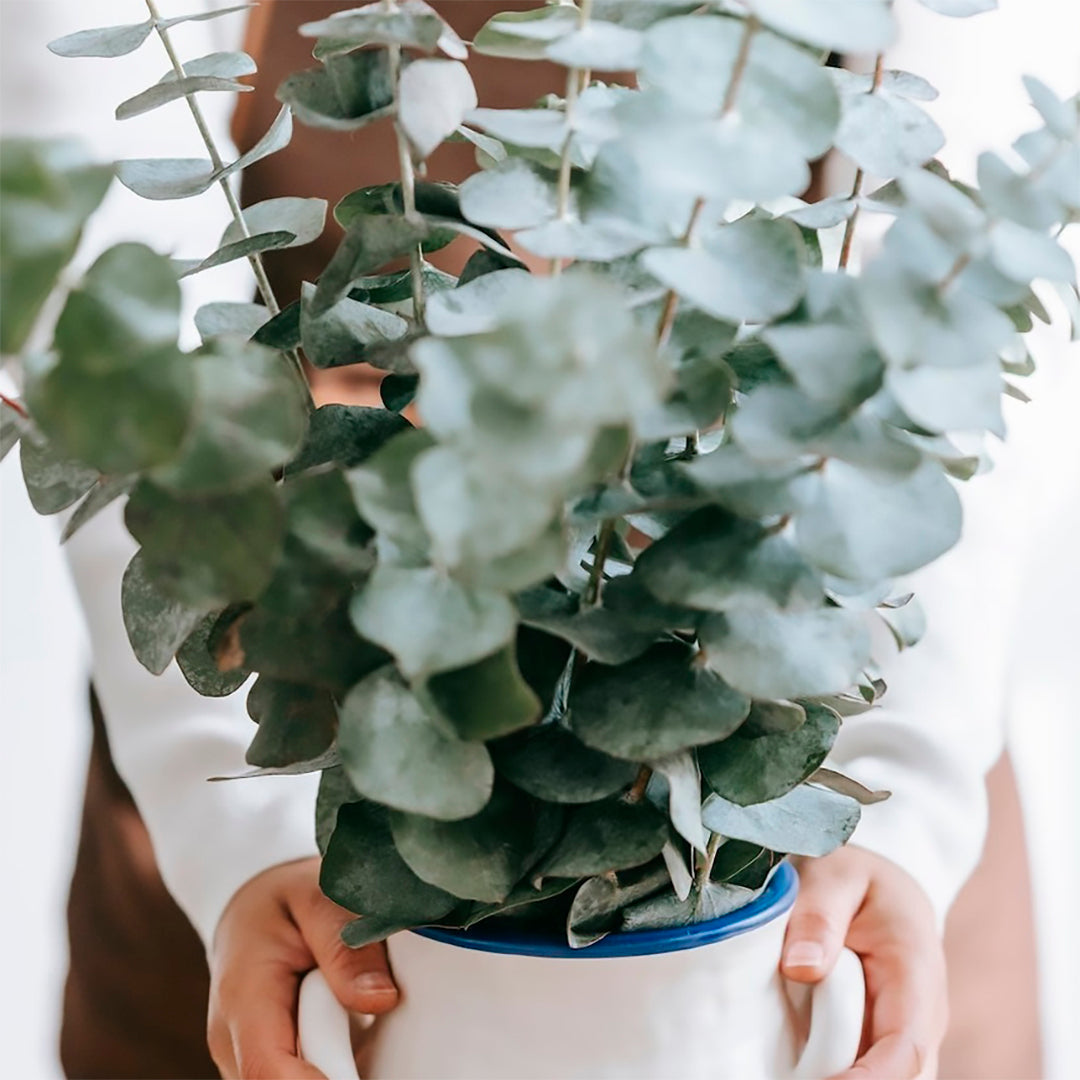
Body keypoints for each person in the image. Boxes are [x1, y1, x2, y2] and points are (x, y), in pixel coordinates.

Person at [1, 2, 1069, 1078]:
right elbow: (68, 196)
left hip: (820, 762)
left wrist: (905, 803)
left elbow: (951, 251)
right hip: (292, 670)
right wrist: (240, 828)